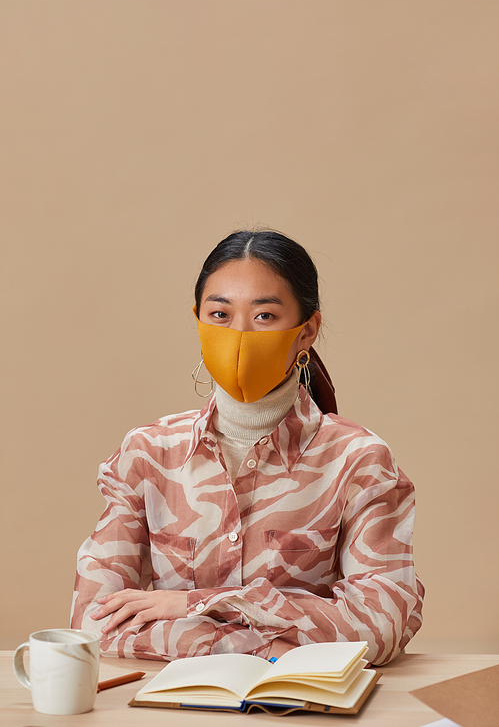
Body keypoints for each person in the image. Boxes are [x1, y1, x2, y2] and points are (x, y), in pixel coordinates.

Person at [71, 229, 424, 665]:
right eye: (220, 314)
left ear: (307, 330)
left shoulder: (359, 461)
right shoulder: (148, 453)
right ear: (198, 320)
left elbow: (382, 625)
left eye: (263, 316)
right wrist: (256, 647)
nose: (238, 334)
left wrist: (198, 604)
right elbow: (92, 622)